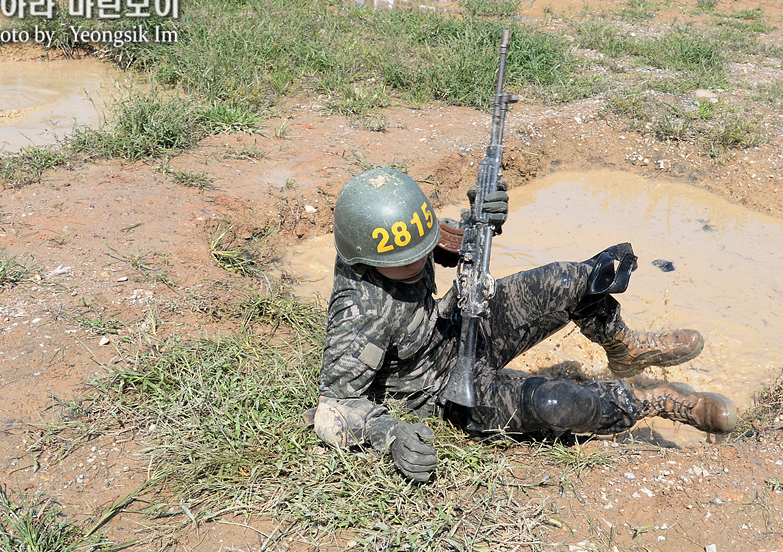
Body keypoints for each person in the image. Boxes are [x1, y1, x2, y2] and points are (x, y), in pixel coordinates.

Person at [312, 168, 736, 483]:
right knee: (559, 404)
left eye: (420, 247)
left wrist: (481, 221)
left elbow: (446, 245)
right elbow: (333, 408)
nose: (420, 261)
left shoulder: (402, 236)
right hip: (446, 392)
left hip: (461, 328)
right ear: (370, 259)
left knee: (570, 278)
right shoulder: (358, 316)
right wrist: (392, 434)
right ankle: (653, 401)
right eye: (408, 259)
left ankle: (626, 348)